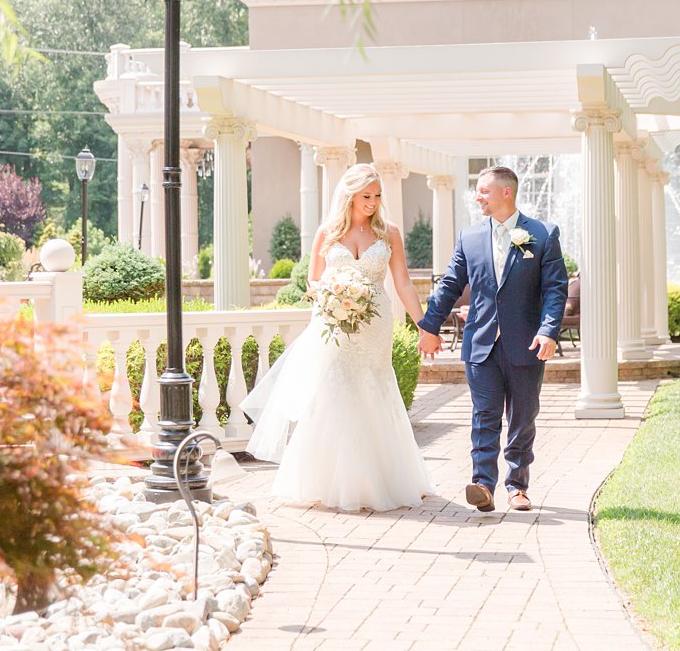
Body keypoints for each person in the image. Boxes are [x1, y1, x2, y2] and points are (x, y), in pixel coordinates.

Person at [243, 164, 436, 512]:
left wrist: (425, 324)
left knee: (372, 389)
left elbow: (403, 283)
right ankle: (327, 480)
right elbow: (313, 284)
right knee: (335, 392)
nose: (373, 202)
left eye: (377, 196)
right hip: (335, 325)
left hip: (375, 325)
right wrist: (335, 298)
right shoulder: (327, 233)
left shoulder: (388, 233)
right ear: (349, 195)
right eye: (366, 196)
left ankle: (382, 479)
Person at [417, 165, 567, 513]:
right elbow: (451, 285)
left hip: (526, 344)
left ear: (506, 193)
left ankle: (518, 486)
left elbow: (556, 289)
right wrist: (430, 327)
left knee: (522, 417)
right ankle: (483, 484)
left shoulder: (543, 234)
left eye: (484, 190)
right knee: (484, 415)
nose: (477, 196)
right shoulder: (469, 237)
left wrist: (548, 331)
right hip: (481, 344)